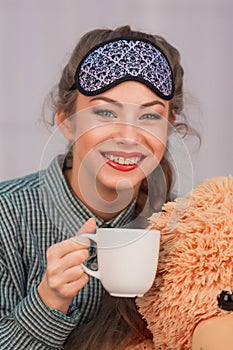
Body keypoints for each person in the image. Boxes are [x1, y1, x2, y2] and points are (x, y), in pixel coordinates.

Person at [0, 25, 196, 349]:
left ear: (170, 126)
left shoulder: (187, 231)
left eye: (149, 116)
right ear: (66, 120)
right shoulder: (7, 215)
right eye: (105, 112)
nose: (129, 137)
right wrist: (48, 301)